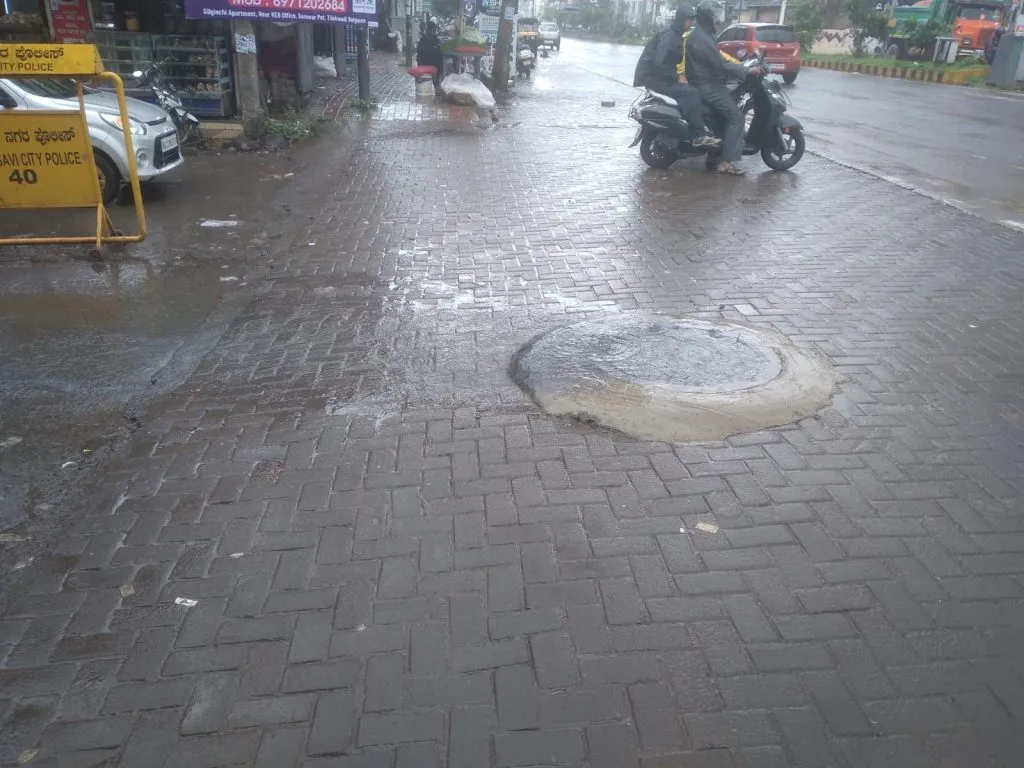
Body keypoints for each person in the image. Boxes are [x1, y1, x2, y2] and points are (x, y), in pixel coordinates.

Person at [685, 0, 763, 175]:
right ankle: (726, 163)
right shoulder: (701, 37)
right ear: (707, 17)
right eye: (715, 15)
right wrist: (745, 70)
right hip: (707, 85)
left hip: (706, 82)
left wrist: (740, 65)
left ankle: (714, 157)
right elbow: (719, 63)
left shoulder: (704, 34)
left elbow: (720, 58)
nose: (718, 18)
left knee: (722, 116)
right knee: (736, 118)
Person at [633, 5, 720, 149]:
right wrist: (676, 77)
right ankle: (698, 136)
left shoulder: (675, 34)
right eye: (689, 20)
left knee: (689, 87)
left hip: (655, 76)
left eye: (692, 20)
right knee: (691, 93)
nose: (691, 23)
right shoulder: (670, 36)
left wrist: (680, 75)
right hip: (654, 77)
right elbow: (659, 63)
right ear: (681, 20)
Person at [417, 21, 444, 89]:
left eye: (435, 31)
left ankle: (437, 81)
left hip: (434, 61)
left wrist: (437, 46)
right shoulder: (423, 39)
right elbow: (424, 50)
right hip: (425, 61)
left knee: (439, 57)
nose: (434, 33)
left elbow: (437, 44)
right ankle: (436, 82)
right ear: (429, 30)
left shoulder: (434, 38)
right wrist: (434, 48)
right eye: (433, 31)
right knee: (437, 57)